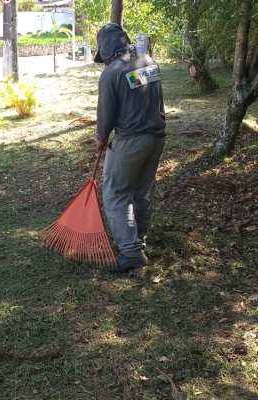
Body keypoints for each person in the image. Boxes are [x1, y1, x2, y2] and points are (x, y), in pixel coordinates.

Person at [94, 23, 166, 273]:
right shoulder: (149, 62)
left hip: (130, 142)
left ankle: (131, 252)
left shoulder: (111, 73)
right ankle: (138, 241)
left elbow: (106, 116)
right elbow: (160, 103)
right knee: (142, 192)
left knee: (116, 193)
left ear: (105, 48)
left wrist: (101, 139)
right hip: (156, 138)